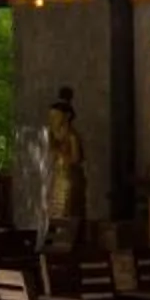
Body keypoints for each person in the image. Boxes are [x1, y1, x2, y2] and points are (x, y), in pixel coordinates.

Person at [43, 88, 89, 248]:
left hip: (70, 177)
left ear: (66, 117)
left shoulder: (72, 135)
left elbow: (76, 159)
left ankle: (69, 244)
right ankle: (54, 244)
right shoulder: (53, 134)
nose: (53, 120)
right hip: (59, 177)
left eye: (56, 116)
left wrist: (61, 153)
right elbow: (51, 152)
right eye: (51, 117)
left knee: (69, 210)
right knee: (55, 210)